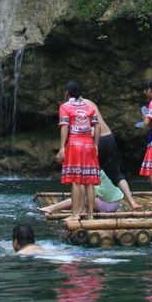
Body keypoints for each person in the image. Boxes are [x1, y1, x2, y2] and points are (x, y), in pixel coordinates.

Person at [78, 97, 141, 210]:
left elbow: (91, 129)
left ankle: (84, 209)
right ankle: (132, 202)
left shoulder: (77, 107)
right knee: (116, 174)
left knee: (87, 174)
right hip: (109, 137)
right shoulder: (90, 102)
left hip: (97, 139)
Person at [56, 81, 102, 219]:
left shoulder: (65, 107)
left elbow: (64, 126)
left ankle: (75, 214)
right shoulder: (89, 107)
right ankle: (90, 214)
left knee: (76, 180)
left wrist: (62, 146)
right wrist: (96, 144)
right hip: (88, 144)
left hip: (74, 145)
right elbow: (97, 126)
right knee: (89, 182)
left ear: (66, 93)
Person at [42, 169, 124, 217]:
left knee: (79, 198)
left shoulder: (96, 172)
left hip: (108, 205)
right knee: (82, 193)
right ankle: (77, 209)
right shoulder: (105, 169)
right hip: (113, 203)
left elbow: (96, 192)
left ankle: (52, 208)